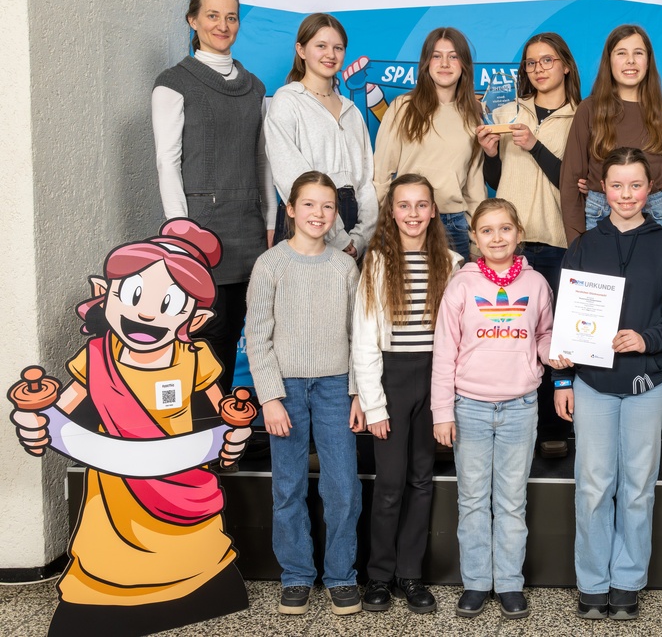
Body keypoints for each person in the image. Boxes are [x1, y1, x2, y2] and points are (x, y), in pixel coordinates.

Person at [9, 219, 252, 637]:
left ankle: (200, 588)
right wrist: (36, 421)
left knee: (197, 558)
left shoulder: (194, 357)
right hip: (115, 494)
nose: (145, 312)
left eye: (169, 303)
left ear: (195, 318)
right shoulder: (97, 356)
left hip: (185, 488)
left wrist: (235, 434)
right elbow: (60, 412)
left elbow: (223, 412)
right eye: (134, 295)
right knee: (108, 567)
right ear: (105, 294)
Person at [553, 147, 662, 620]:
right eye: (617, 185)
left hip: (647, 386)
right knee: (593, 486)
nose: (626, 194)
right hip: (592, 385)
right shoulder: (583, 246)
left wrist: (647, 338)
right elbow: (563, 320)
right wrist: (562, 379)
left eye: (636, 185)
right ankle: (593, 581)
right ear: (603, 188)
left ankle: (627, 581)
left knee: (637, 488)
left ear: (650, 188)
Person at [246, 172, 364, 616]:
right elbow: (257, 336)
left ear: (336, 215)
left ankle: (341, 575)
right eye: (309, 204)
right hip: (287, 389)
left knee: (343, 486)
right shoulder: (270, 265)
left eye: (328, 206)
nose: (319, 213)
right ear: (291, 209)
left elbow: (358, 335)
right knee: (289, 486)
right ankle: (296, 575)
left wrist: (358, 392)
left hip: (335, 386)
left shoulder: (344, 267)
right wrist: (270, 398)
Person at [431, 199, 554, 620]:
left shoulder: (536, 283)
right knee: (472, 500)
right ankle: (477, 582)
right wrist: (442, 411)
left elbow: (544, 333)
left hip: (520, 406)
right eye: (487, 230)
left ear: (519, 233)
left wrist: (552, 352)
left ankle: (509, 583)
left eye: (505, 229)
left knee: (512, 501)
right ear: (474, 238)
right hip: (470, 407)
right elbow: (444, 352)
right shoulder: (461, 285)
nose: (497, 237)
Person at [152, 0, 273, 392]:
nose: (223, 25)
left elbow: (261, 161)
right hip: (200, 231)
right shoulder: (173, 82)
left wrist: (269, 223)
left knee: (240, 328)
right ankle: (201, 426)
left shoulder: (255, 87)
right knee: (204, 337)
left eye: (231, 17)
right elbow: (167, 162)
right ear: (193, 21)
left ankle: (227, 424)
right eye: (212, 15)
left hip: (248, 230)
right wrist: (179, 233)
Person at [353, 173, 463, 615]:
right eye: (404, 205)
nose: (413, 213)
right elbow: (365, 338)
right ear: (392, 212)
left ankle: (410, 574)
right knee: (390, 483)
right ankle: (379, 576)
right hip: (392, 380)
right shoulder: (378, 261)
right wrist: (374, 404)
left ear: (433, 211)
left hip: (434, 377)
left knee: (421, 480)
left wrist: (448, 399)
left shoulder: (451, 263)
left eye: (421, 205)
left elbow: (459, 337)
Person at [477, 32, 581, 457]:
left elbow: (574, 184)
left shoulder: (581, 117)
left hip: (558, 239)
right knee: (512, 334)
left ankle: (556, 425)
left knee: (556, 335)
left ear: (566, 65)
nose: (539, 69)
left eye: (547, 60)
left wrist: (535, 147)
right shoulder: (506, 112)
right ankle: (515, 424)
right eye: (532, 63)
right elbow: (496, 180)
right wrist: (490, 154)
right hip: (510, 244)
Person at [264, 13, 378, 260]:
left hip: (350, 217)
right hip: (307, 219)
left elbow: (366, 181)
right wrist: (338, 237)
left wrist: (361, 237)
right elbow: (290, 176)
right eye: (321, 46)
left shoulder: (352, 111)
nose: (331, 54)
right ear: (301, 50)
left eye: (338, 48)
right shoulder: (288, 101)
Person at [374, 27, 485, 260]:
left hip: (453, 224)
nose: (444, 63)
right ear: (426, 63)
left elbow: (474, 187)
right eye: (436, 56)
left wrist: (478, 239)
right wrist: (384, 223)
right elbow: (382, 173)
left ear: (464, 64)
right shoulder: (403, 107)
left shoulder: (473, 115)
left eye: (453, 56)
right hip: (408, 221)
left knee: (454, 285)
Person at [560, 25, 662, 242]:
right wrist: (576, 242)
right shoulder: (589, 109)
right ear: (609, 61)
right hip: (600, 213)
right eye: (621, 53)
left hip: (653, 211)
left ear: (648, 61)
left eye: (638, 53)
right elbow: (571, 181)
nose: (630, 61)